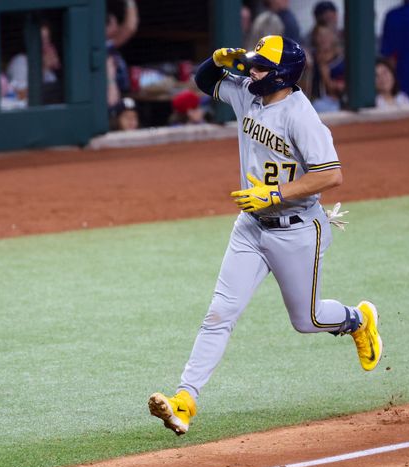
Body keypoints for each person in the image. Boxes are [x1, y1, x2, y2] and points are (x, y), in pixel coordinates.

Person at [147, 35, 384, 436]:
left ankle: (358, 320)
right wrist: (213, 60)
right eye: (252, 65)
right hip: (250, 228)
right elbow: (207, 83)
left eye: (260, 67)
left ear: (283, 76)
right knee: (219, 314)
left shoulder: (301, 117)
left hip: (298, 232)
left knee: (307, 320)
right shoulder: (248, 96)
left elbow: (331, 174)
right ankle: (185, 400)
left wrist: (275, 194)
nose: (250, 71)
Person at [310, 25, 345, 112]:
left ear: (334, 36)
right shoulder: (311, 59)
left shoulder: (342, 60)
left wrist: (327, 78)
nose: (323, 39)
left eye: (327, 35)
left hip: (337, 102)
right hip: (315, 102)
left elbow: (341, 88)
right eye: (320, 35)